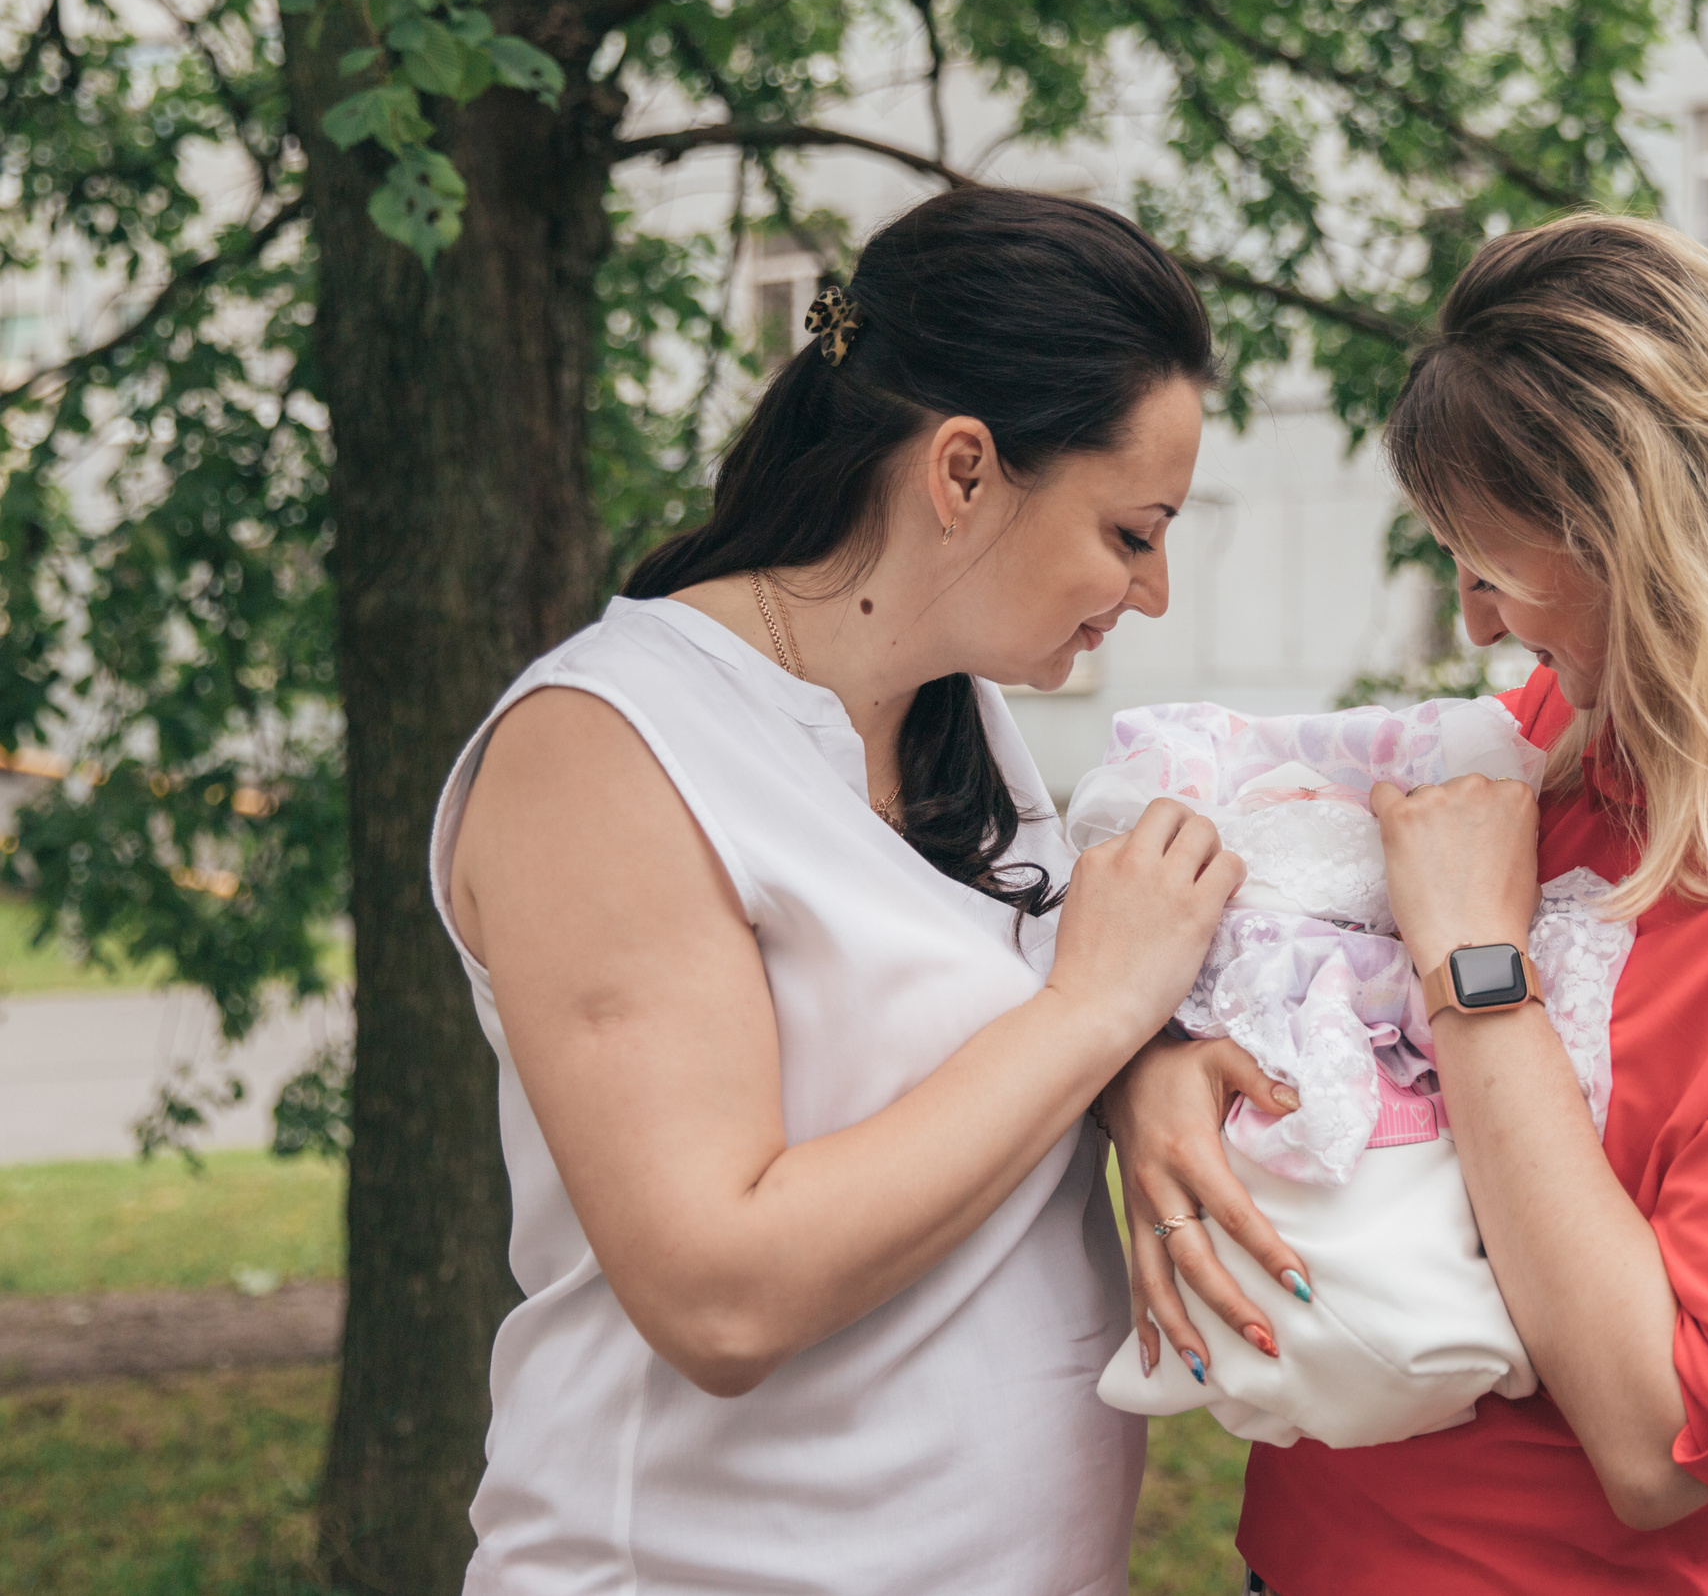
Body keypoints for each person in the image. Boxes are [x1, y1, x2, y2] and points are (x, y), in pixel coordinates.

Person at [1103, 213, 1708, 1594]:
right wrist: (1154, 1068)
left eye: (1493, 569)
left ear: (1648, 541)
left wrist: (1475, 967)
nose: (1477, 624)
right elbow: (1299, 965)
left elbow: (1663, 1441)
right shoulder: (1592, 718)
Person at [429, 187, 1250, 1594]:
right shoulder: (607, 745)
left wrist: (1145, 1070)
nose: (1154, 590)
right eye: (1132, 532)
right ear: (963, 471)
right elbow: (719, 1294)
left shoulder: (955, 724)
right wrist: (1099, 1014)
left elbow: (992, 1066)